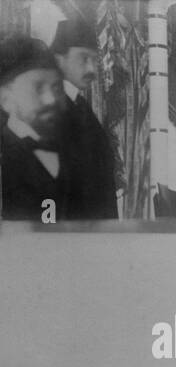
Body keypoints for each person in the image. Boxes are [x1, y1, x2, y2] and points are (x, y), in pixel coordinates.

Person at [51, 19, 116, 220]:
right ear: (59, 59)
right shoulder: (50, 109)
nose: (91, 69)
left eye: (94, 60)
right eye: (83, 58)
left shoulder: (81, 105)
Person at [0, 36, 71, 221]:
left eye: (57, 88)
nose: (52, 99)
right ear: (6, 99)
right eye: (38, 88)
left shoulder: (75, 151)